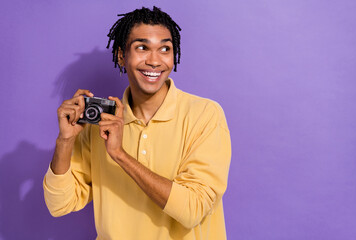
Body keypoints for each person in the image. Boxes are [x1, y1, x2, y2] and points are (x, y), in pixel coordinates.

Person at [43, 6, 231, 240]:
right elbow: (59, 204)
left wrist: (120, 155)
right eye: (142, 47)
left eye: (165, 49)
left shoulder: (204, 115)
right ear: (121, 55)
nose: (154, 61)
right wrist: (65, 140)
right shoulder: (100, 124)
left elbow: (194, 208)